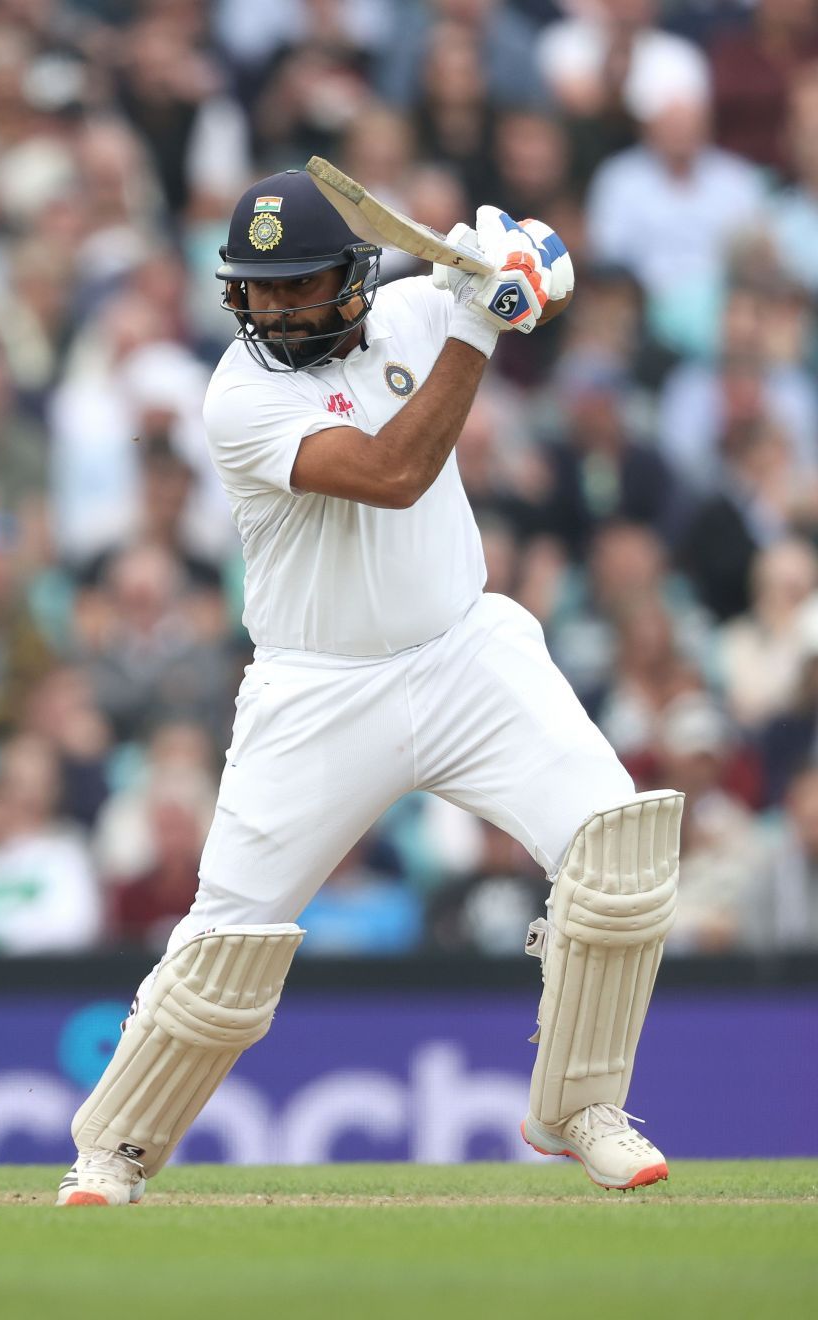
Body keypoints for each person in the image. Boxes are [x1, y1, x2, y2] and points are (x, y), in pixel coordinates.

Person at [57, 170, 681, 1206]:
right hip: (317, 689)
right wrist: (483, 330)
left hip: (466, 653)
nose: (277, 309)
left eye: (300, 286)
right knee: (228, 941)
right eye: (259, 290)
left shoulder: (416, 304)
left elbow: (540, 287)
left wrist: (527, 258)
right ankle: (113, 1148)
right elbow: (395, 475)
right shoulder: (239, 395)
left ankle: (580, 1107)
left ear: (352, 279)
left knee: (618, 850)